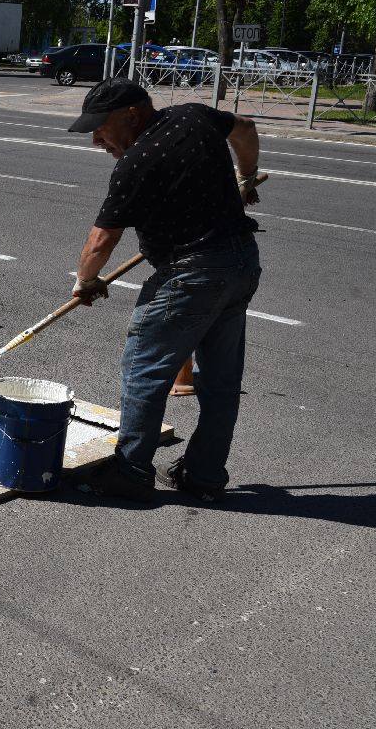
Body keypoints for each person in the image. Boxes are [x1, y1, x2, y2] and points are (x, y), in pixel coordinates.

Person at [66, 77, 263, 502]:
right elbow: (245, 129)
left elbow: (102, 239)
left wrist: (85, 282)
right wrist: (244, 176)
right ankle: (205, 477)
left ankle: (132, 472)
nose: (97, 140)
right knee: (221, 383)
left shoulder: (137, 161)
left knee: (144, 372)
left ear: (131, 115)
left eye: (101, 128)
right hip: (241, 264)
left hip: (190, 274)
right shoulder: (193, 115)